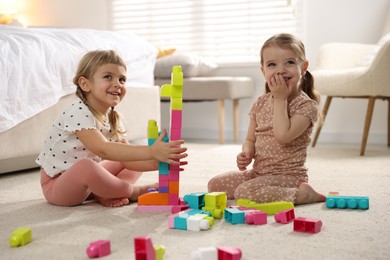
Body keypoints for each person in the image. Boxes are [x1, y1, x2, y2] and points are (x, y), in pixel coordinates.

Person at [36, 50, 187, 207]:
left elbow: (128, 161)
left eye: (122, 79)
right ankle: (131, 191)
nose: (117, 84)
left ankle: (107, 192)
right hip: (58, 186)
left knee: (130, 155)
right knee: (87, 167)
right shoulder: (78, 112)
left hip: (88, 184)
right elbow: (103, 149)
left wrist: (159, 162)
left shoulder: (113, 117)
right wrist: (151, 151)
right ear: (85, 84)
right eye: (108, 77)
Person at [208, 33, 326, 205]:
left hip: (288, 176)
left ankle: (302, 194)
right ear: (263, 71)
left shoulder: (306, 106)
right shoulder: (260, 103)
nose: (281, 70)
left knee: (244, 193)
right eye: (272, 65)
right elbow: (250, 138)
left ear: (304, 67)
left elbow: (282, 136)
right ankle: (267, 188)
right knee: (214, 185)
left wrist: (280, 99)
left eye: (290, 62)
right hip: (259, 172)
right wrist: (247, 152)